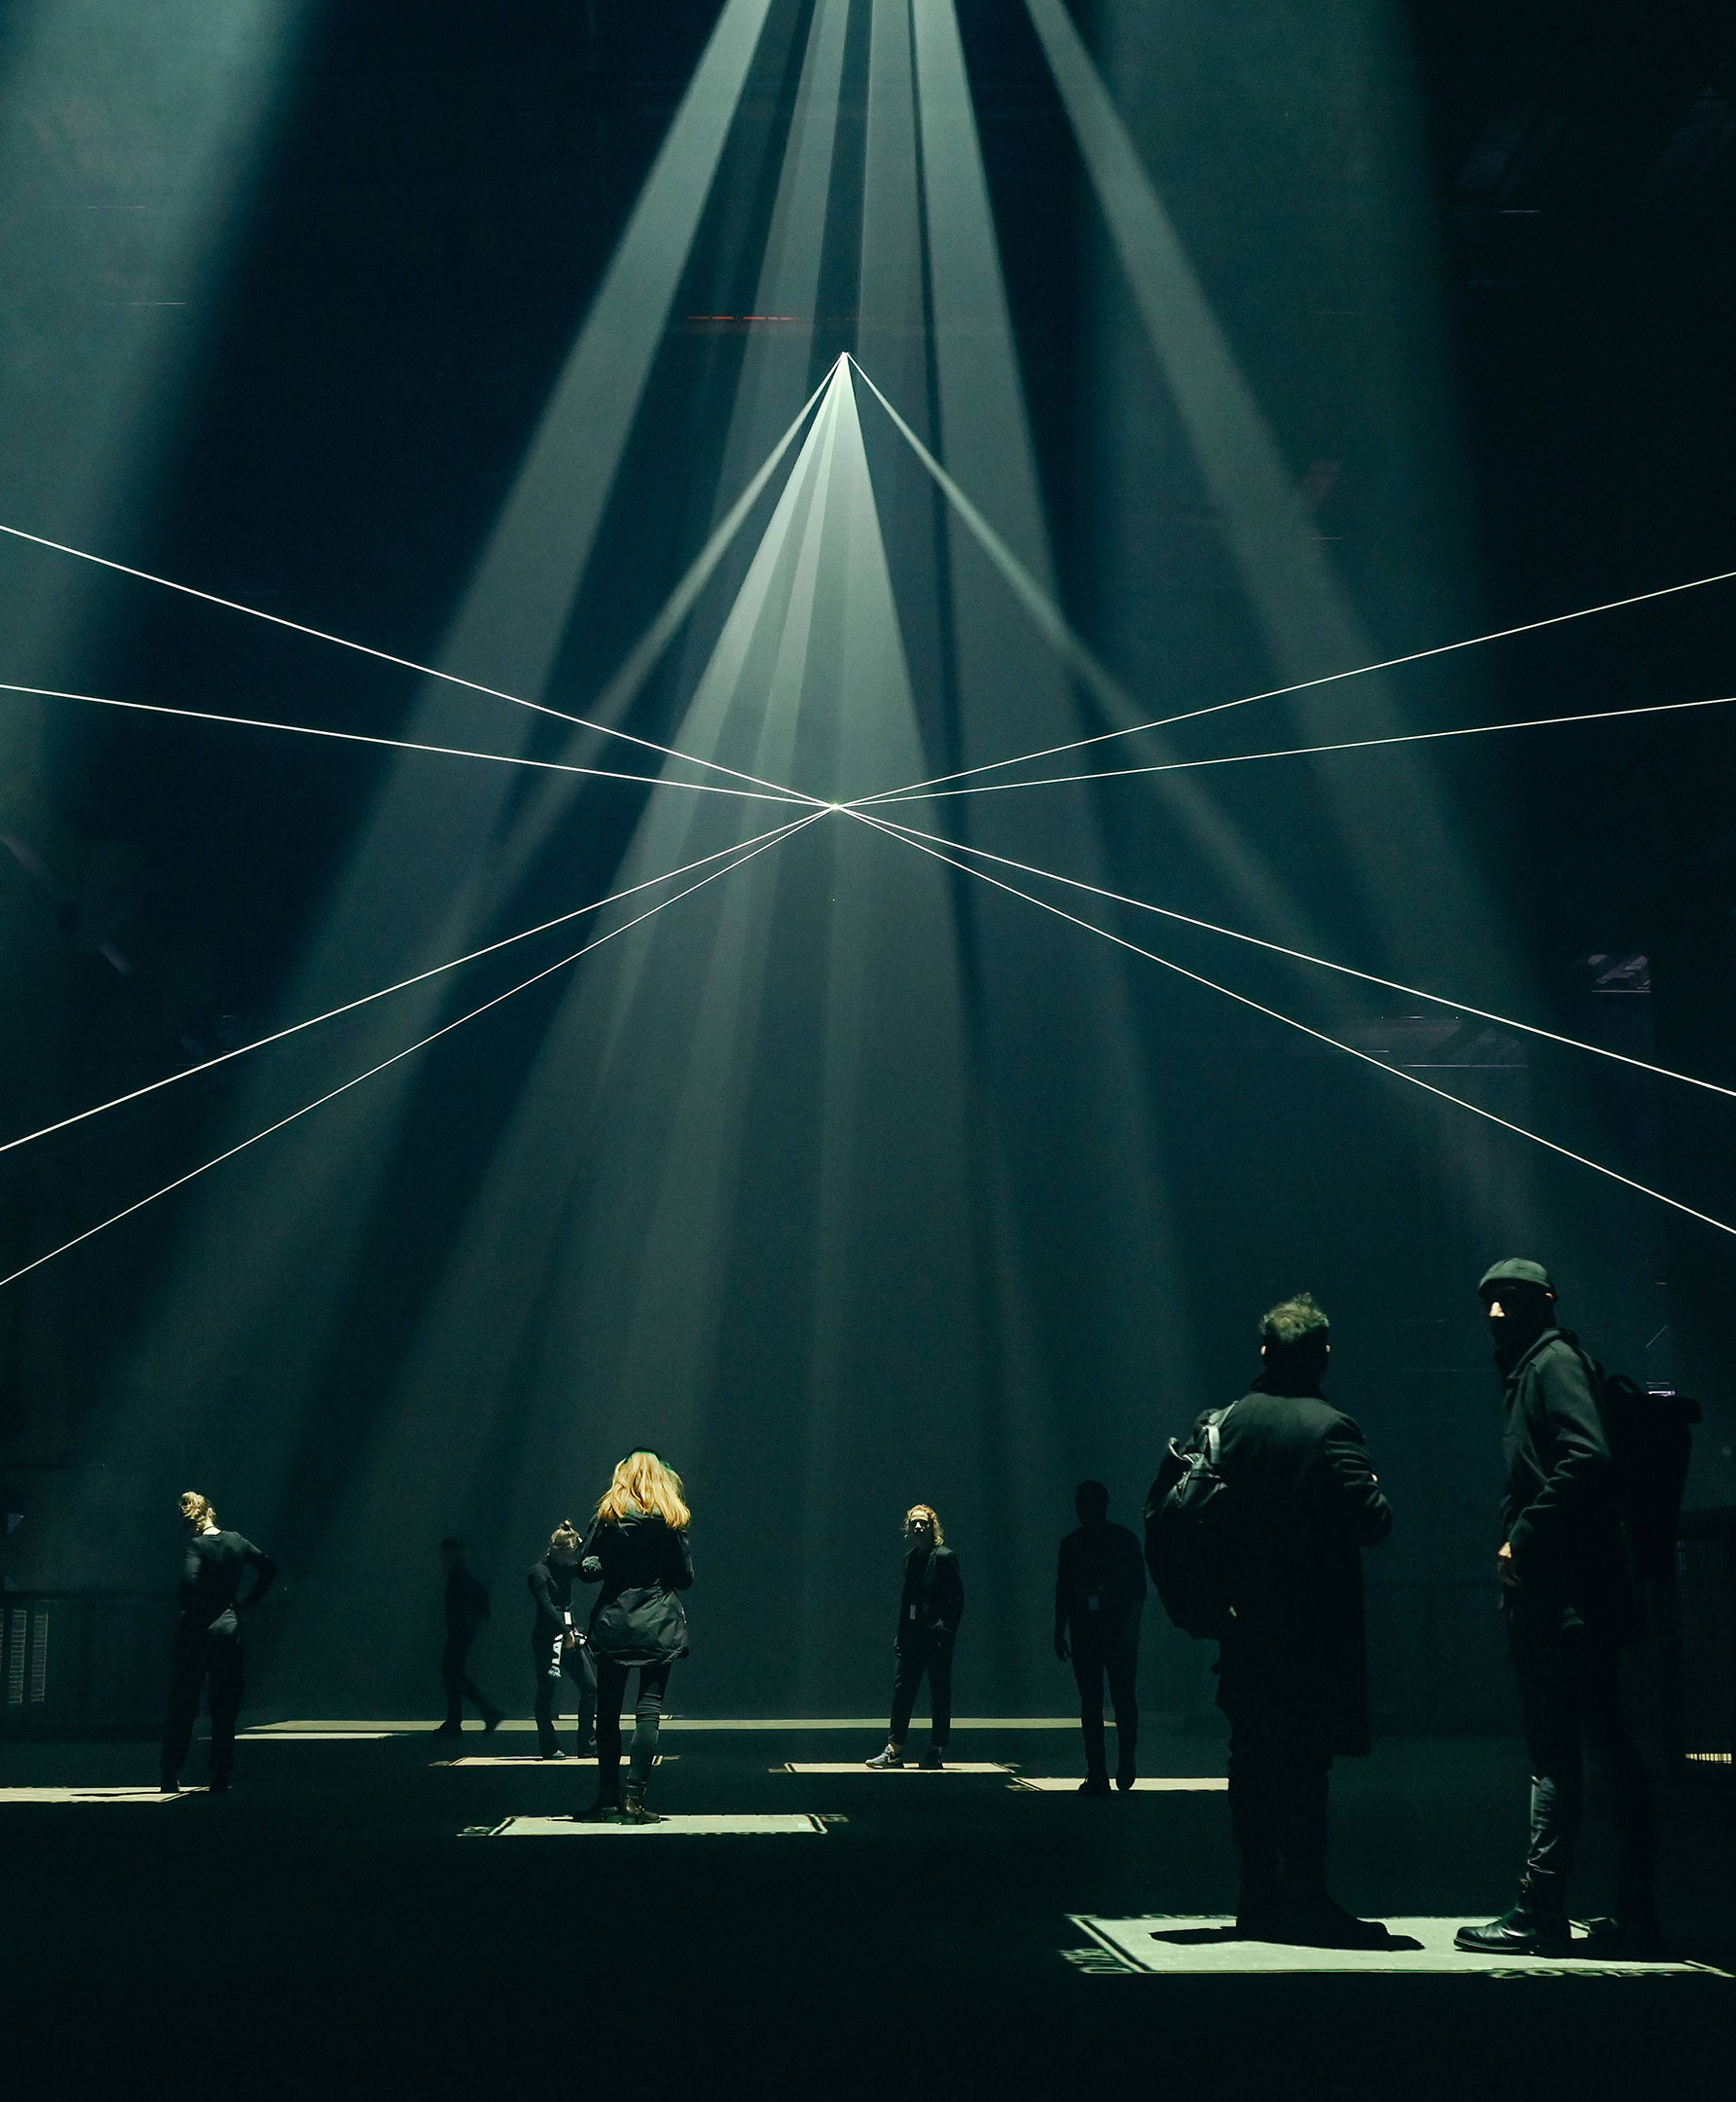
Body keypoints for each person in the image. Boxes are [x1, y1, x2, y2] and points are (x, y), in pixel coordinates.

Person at [1456, 1259, 1661, 1958]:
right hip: (1579, 1600)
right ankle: (1635, 1913)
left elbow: (1587, 1458)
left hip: (1565, 1603)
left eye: (1506, 1301)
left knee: (1557, 1753)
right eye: (1487, 1301)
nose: (1492, 1314)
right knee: (1608, 1750)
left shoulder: (1550, 1366)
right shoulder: (1545, 1365)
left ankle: (1540, 1909)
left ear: (1541, 1303)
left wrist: (1524, 1538)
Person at [1188, 1293, 1393, 1947]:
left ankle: (1257, 1894)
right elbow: (1374, 1521)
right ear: (1322, 1355)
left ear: (1264, 1353)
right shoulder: (1332, 1428)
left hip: (1243, 1626)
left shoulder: (1225, 1424)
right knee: (1306, 1766)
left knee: (1249, 1759)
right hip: (1310, 1631)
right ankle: (1307, 1893)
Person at [574, 1451, 693, 1823]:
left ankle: (606, 1797)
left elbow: (587, 1569)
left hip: (615, 1623)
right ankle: (634, 1798)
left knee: (607, 1713)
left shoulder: (608, 1517)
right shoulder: (673, 1521)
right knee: (649, 1712)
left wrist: (603, 1566)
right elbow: (686, 1578)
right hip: (659, 1624)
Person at [160, 1492, 277, 1794]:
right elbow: (268, 1567)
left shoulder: (196, 1546)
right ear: (211, 1511)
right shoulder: (237, 1541)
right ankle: (220, 1774)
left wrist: (191, 1606)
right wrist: (249, 1600)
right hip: (228, 1627)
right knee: (225, 1705)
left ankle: (171, 1772)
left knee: (184, 1702)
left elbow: (188, 1584)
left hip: (197, 1630)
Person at [1054, 1480, 1146, 1795]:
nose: (1084, 1510)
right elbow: (1137, 1590)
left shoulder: (1075, 1544)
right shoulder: (1122, 1540)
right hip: (1105, 1631)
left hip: (1101, 1631)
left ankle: (1103, 1771)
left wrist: (1059, 1629)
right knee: (1113, 1699)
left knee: (1101, 1701)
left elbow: (1064, 1592)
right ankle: (1114, 1765)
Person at [867, 1505, 964, 1771]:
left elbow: (957, 1599)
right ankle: (895, 1749)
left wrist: (946, 1632)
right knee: (903, 1692)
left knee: (939, 1694)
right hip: (913, 1638)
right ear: (909, 1529)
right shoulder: (911, 1559)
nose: (919, 1528)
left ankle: (937, 1749)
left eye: (923, 1523)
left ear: (933, 1528)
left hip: (937, 1639)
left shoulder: (945, 1558)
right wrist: (902, 1634)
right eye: (915, 1524)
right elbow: (907, 1601)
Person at [529, 1521, 597, 1759]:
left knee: (590, 1688)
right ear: (556, 1551)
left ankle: (587, 1745)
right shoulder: (539, 1573)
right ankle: (549, 1746)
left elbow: (587, 1565)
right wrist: (565, 1631)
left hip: (569, 1635)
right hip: (548, 1638)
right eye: (569, 1555)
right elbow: (547, 1607)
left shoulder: (567, 1569)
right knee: (547, 1694)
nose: (572, 1560)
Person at [435, 1536, 503, 1738]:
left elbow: (459, 1606)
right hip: (462, 1631)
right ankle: (483, 1714)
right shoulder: (462, 1577)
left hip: (459, 1632)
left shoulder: (459, 1578)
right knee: (455, 1676)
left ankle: (460, 1721)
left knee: (453, 1675)